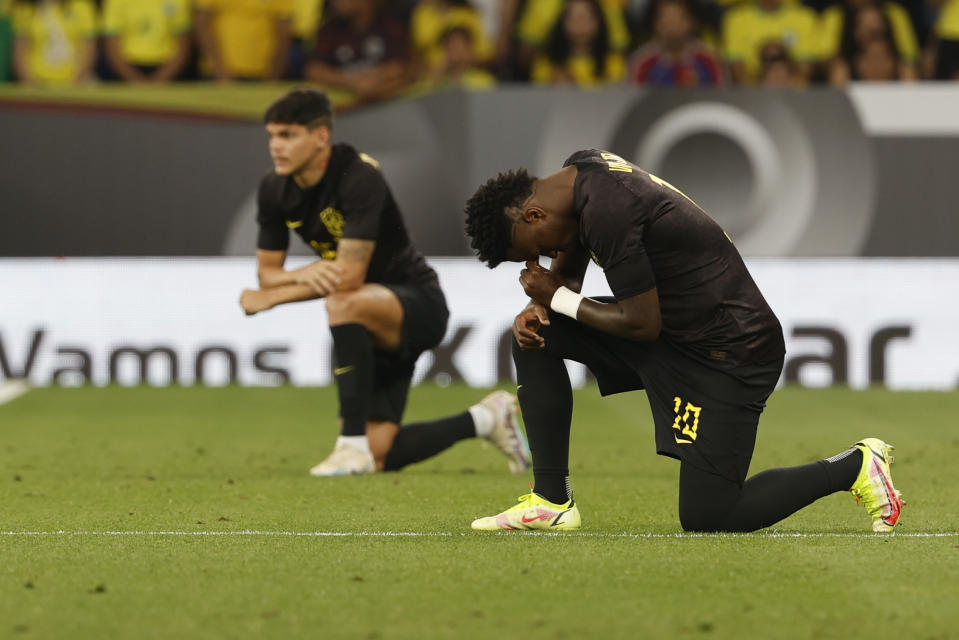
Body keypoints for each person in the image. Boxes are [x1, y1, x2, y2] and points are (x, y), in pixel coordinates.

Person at [462, 149, 905, 532]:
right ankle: (551, 501)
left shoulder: (609, 209)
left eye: (532, 250)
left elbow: (640, 323)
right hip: (679, 332)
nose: (543, 260)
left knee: (709, 514)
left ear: (534, 214)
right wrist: (544, 306)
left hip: (730, 350)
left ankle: (856, 465)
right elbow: (574, 248)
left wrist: (554, 294)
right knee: (536, 334)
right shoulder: (581, 174)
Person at [239, 88, 530, 477]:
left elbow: (347, 278)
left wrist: (272, 299)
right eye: (272, 136)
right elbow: (268, 274)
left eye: (288, 135)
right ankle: (485, 418)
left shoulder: (357, 176)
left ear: (321, 136)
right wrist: (298, 275)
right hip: (366, 328)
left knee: (342, 302)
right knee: (381, 456)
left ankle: (349, 446)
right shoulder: (273, 189)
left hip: (416, 303)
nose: (276, 146)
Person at [304, 0, 411, 105]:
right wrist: (353, 82)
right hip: (347, 112)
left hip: (389, 107)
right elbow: (314, 70)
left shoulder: (390, 25)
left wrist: (375, 84)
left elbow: (401, 67)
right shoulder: (330, 29)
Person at [530, 0, 626, 86]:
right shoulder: (546, 64)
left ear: (599, 21)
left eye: (586, 17)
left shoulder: (613, 63)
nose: (580, 24)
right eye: (572, 18)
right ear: (561, 22)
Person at [628, 0, 723, 87]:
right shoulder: (642, 62)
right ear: (655, 24)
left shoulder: (709, 60)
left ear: (693, 22)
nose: (672, 26)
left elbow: (722, 97)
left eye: (678, 19)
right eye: (666, 19)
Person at [194, 0, 293, 81]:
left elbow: (284, 31)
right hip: (215, 73)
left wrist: (274, 75)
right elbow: (202, 24)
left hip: (262, 73)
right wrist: (220, 71)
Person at [99, 0, 192, 83]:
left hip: (168, 68)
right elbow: (112, 48)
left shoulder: (179, 1)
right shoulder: (115, 2)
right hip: (127, 68)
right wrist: (136, 81)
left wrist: (161, 79)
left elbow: (183, 46)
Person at [11, 0, 96, 85]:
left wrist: (73, 84)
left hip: (74, 85)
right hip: (36, 85)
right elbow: (20, 53)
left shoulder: (81, 6)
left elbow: (88, 52)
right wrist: (32, 85)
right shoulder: (25, 9)